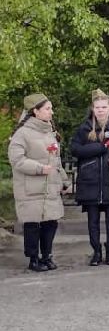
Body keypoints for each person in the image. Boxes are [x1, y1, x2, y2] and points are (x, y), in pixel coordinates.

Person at [70, 89, 109, 266]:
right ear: (92, 108)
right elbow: (75, 149)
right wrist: (98, 148)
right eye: (97, 107)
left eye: (104, 107)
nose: (100, 110)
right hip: (90, 182)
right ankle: (96, 251)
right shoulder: (84, 128)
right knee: (93, 221)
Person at [8, 93, 70, 272]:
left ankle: (47, 256)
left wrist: (64, 181)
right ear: (35, 111)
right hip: (31, 188)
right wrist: (39, 168)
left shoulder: (50, 132)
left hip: (50, 187)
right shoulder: (22, 134)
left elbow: (56, 161)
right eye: (48, 109)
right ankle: (33, 259)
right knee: (33, 225)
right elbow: (17, 160)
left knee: (50, 223)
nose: (52, 112)